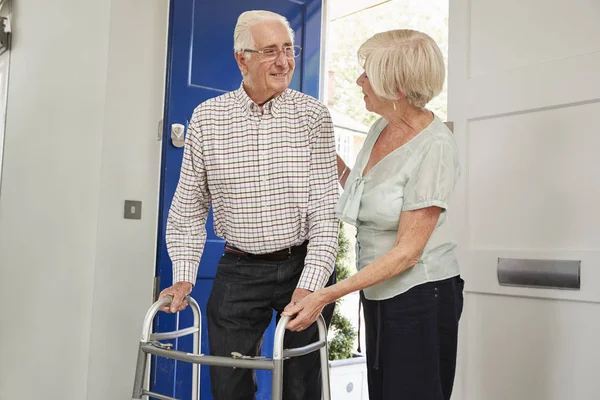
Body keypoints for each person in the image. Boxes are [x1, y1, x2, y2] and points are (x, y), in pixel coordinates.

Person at [159, 10, 338, 400]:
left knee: (300, 386)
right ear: (243, 58)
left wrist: (311, 285)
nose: (284, 61)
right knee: (229, 381)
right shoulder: (207, 119)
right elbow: (189, 207)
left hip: (302, 260)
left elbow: (326, 210)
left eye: (289, 50)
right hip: (239, 268)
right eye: (270, 51)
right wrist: (184, 273)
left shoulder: (313, 117)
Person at [284, 29, 464, 400]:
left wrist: (325, 294)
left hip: (420, 294)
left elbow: (407, 252)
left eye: (368, 73)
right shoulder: (382, 126)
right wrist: (319, 151)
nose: (359, 80)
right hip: (380, 291)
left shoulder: (435, 147)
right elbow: (363, 188)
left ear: (396, 87)